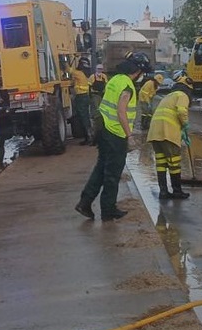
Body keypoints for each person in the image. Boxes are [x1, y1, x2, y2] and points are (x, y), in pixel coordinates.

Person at [75, 51, 151, 221]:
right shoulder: (127, 86)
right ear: (138, 71)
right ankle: (108, 209)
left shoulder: (115, 79)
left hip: (102, 128)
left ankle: (85, 202)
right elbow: (121, 111)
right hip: (115, 133)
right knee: (112, 173)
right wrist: (129, 135)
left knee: (101, 168)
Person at [147, 71, 194, 200]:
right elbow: (181, 111)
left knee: (161, 162)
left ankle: (163, 192)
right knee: (174, 162)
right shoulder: (182, 95)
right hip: (168, 133)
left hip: (155, 133)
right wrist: (185, 125)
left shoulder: (169, 96)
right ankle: (177, 191)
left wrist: (182, 131)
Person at [71, 56, 96, 145]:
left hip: (81, 97)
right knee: (85, 116)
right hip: (85, 96)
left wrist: (64, 62)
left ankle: (89, 137)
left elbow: (69, 71)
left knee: (83, 117)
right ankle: (90, 136)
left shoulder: (78, 73)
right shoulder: (86, 73)